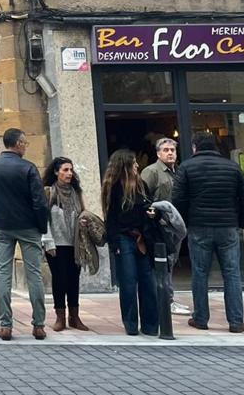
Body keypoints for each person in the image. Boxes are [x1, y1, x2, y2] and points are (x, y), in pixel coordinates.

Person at [172, 132, 244, 333]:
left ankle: (201, 318)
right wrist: (240, 222)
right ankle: (236, 321)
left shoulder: (186, 167)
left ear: (194, 147)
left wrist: (185, 222)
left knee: (200, 273)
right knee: (232, 273)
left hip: (199, 226)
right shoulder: (232, 167)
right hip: (228, 227)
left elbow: (178, 199)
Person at [0, 128, 48, 341]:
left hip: (1, 224)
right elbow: (39, 201)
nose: (26, 147)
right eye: (25, 143)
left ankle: (5, 325)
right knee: (34, 274)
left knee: (3, 273)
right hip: (28, 226)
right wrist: (41, 227)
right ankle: (38, 325)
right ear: (18, 144)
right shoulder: (28, 168)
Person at [102, 149, 159, 336]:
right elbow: (110, 218)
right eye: (133, 162)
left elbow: (150, 207)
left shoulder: (142, 185)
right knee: (128, 281)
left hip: (143, 238)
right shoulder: (115, 187)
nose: (137, 165)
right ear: (125, 165)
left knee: (148, 281)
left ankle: (151, 325)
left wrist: (152, 213)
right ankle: (131, 324)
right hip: (124, 237)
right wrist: (114, 244)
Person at [140, 137, 188, 314]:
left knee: (171, 263)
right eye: (166, 150)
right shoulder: (151, 172)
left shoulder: (178, 172)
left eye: (172, 150)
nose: (170, 153)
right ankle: (164, 301)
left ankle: (170, 298)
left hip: (176, 226)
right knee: (162, 264)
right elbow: (143, 198)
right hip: (160, 226)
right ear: (158, 153)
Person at [41, 157, 89, 332]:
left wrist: (84, 221)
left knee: (73, 279)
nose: (69, 173)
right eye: (65, 170)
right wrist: (48, 241)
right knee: (60, 279)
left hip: (75, 243)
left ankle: (74, 317)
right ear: (56, 172)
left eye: (71, 170)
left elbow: (83, 212)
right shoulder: (49, 192)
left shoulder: (77, 193)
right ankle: (60, 316)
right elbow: (43, 219)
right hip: (56, 243)